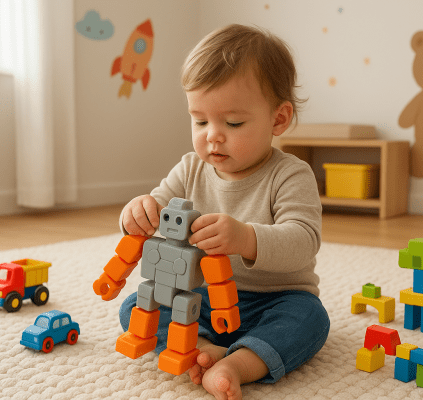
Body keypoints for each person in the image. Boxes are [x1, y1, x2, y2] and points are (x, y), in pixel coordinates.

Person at [118, 24, 329, 400]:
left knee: (310, 320)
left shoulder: (290, 174)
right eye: (200, 120)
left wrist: (246, 238)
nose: (212, 135)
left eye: (233, 123)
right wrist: (138, 211)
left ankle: (238, 363)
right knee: (137, 307)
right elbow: (157, 205)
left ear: (277, 120)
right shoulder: (189, 169)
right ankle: (200, 346)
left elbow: (304, 241)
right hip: (201, 300)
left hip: (274, 299)